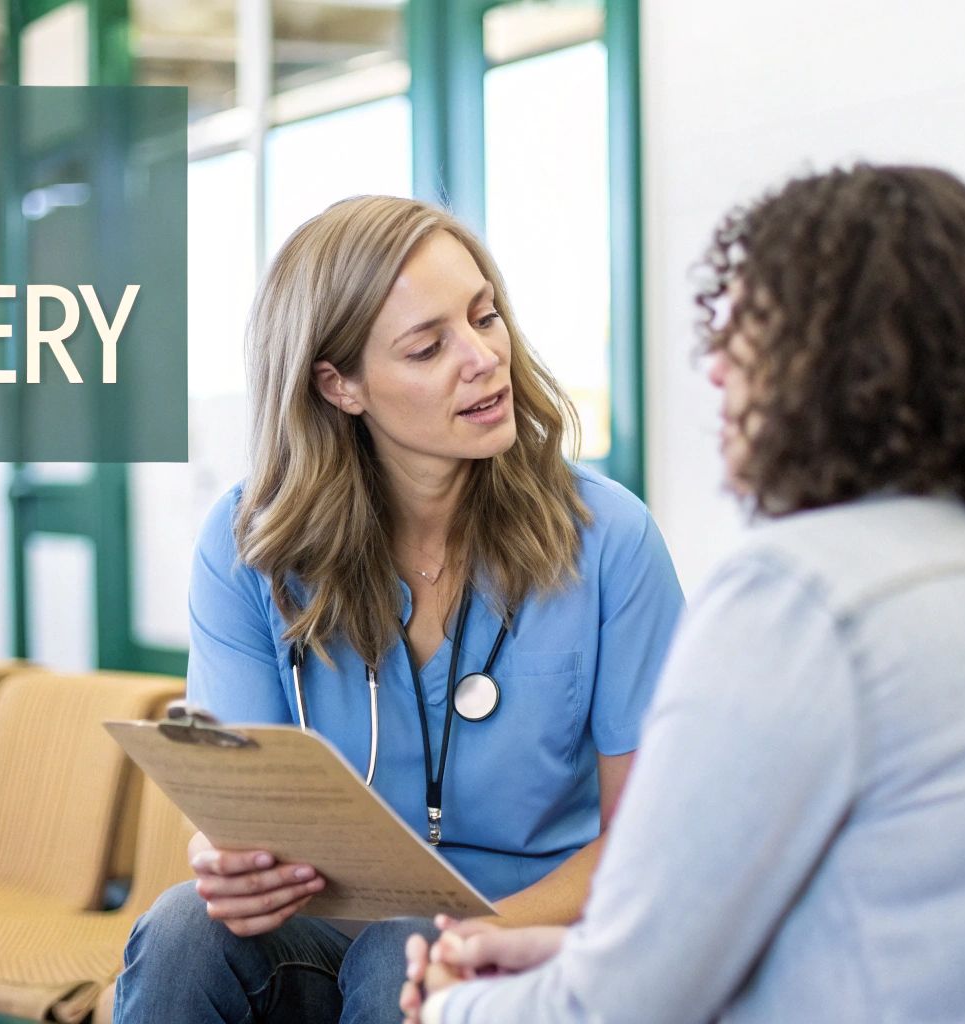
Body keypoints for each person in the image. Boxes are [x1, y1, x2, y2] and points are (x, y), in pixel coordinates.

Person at [399, 165, 965, 1023]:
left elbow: (608, 1016)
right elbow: (878, 943)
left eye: (747, 335)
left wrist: (452, 1006)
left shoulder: (800, 599)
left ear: (846, 369)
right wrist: (574, 955)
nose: (715, 372)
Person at [114, 195, 686, 1024]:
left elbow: (651, 843)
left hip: (530, 942)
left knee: (402, 956)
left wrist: (458, 940)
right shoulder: (251, 546)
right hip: (333, 932)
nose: (485, 357)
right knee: (181, 931)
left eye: (485, 317)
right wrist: (231, 865)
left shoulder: (610, 539)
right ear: (339, 385)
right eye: (429, 346)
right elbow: (242, 816)